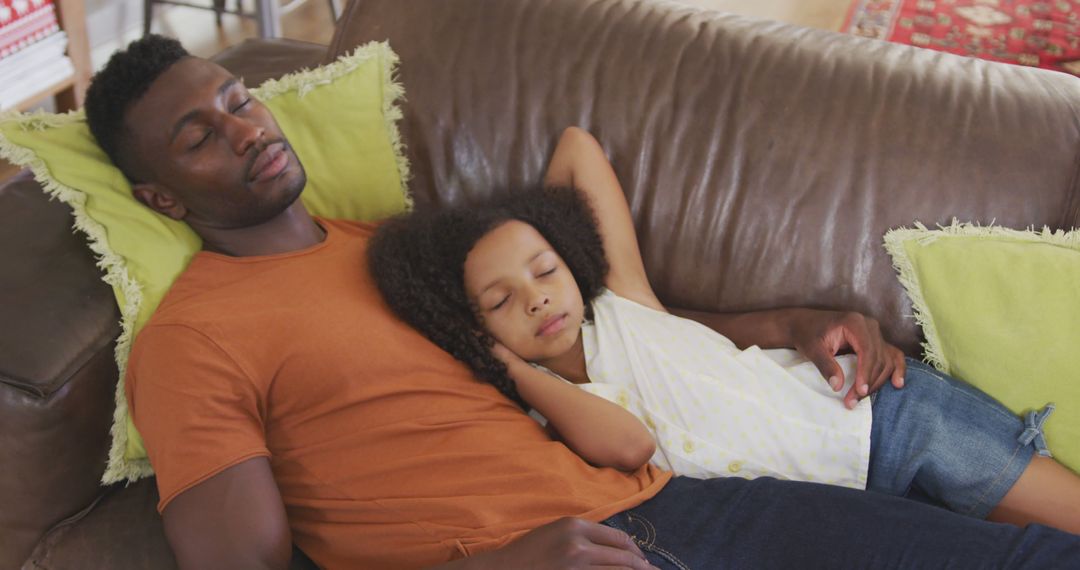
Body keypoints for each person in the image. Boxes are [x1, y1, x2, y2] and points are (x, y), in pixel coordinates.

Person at [83, 35, 1080, 569]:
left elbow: (618, 329)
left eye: (236, 100)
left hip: (672, 504)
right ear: (162, 199)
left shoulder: (405, 251)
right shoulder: (191, 340)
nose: (242, 126)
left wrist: (784, 323)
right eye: (198, 136)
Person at [367, 130, 1080, 532]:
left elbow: (577, 150)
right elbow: (629, 444)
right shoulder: (542, 407)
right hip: (854, 521)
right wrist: (502, 363)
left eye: (545, 269)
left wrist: (512, 236)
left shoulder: (622, 298)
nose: (536, 299)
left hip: (882, 420)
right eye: (500, 300)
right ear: (474, 329)